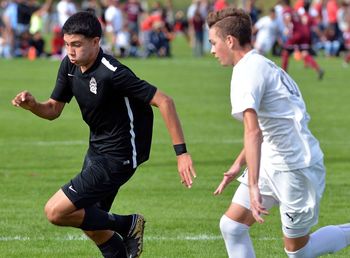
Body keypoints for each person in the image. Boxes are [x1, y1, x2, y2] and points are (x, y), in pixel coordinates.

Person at [12, 11, 196, 258]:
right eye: (67, 44)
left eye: (77, 45)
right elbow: (53, 109)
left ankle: (129, 224)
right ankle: (125, 235)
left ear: (96, 42)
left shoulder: (113, 72)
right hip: (96, 150)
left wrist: (181, 153)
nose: (70, 51)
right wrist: (33, 105)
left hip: (120, 154)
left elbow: (165, 101)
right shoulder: (69, 65)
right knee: (90, 222)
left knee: (55, 211)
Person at [207, 7, 350, 258]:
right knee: (232, 227)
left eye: (213, 42)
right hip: (271, 161)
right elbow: (264, 127)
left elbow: (252, 131)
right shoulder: (260, 63)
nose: (211, 50)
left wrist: (252, 186)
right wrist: (237, 165)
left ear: (229, 41)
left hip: (296, 167)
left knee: (298, 253)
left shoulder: (246, 72)